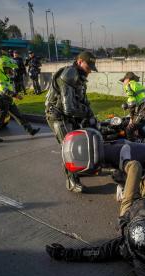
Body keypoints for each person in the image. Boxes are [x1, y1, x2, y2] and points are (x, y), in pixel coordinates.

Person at [45, 51, 98, 193]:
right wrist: (86, 113)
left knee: (82, 142)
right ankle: (71, 181)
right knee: (69, 147)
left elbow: (83, 101)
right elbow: (69, 108)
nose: (90, 71)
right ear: (80, 61)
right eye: (88, 66)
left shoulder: (79, 77)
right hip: (57, 116)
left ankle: (79, 169)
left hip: (68, 116)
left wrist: (92, 117)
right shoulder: (69, 74)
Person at [0, 55, 40, 142]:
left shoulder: (4, 74)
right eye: (9, 68)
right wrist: (15, 95)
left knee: (19, 116)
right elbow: (4, 90)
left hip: (9, 99)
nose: (11, 70)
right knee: (0, 119)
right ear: (3, 67)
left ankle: (31, 131)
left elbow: (9, 85)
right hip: (3, 100)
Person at [120, 72, 145, 141]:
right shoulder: (136, 84)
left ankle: (132, 147)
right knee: (137, 126)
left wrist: (131, 119)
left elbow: (132, 103)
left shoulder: (128, 85)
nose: (123, 82)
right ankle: (144, 141)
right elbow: (138, 102)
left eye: (124, 80)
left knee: (129, 128)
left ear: (128, 79)